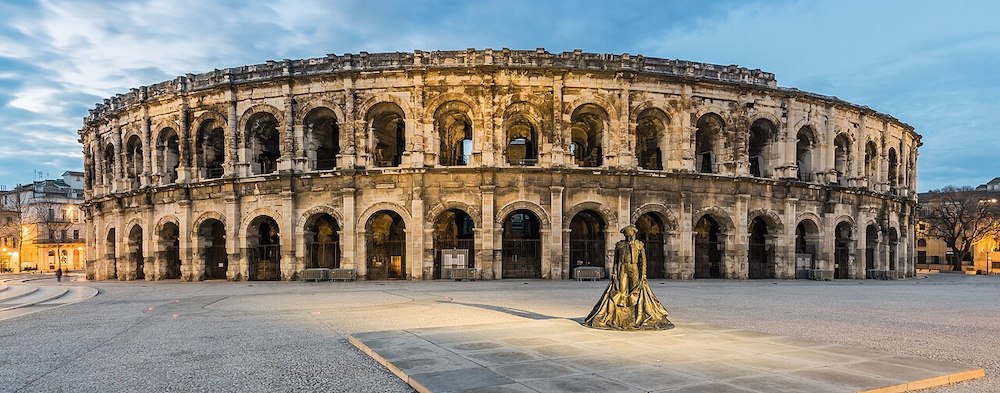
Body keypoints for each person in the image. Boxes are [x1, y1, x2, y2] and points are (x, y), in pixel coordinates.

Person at [583, 225, 674, 330]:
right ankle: (622, 315)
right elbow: (616, 261)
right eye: (627, 235)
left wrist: (643, 274)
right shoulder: (620, 245)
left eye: (630, 235)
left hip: (634, 268)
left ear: (633, 234)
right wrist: (614, 273)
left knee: (635, 290)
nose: (629, 237)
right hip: (623, 268)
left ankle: (635, 313)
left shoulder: (639, 245)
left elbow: (643, 261)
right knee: (620, 290)